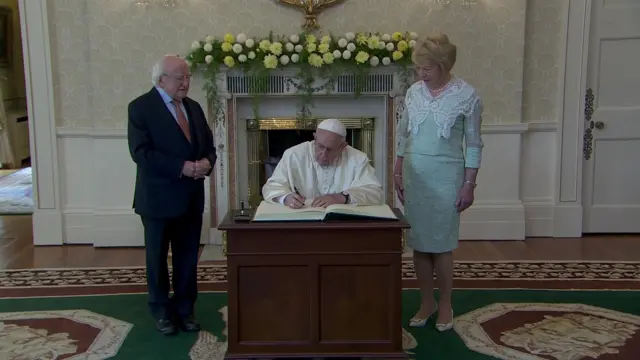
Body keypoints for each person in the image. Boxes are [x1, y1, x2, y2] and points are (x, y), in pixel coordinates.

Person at [394, 33, 484, 331]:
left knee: (442, 245)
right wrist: (397, 169)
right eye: (419, 68)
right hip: (415, 175)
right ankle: (426, 301)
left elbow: (473, 143)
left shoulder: (467, 96)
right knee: (419, 245)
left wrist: (469, 184)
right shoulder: (413, 93)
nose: (422, 74)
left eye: (428, 68)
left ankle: (445, 303)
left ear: (444, 65)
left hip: (447, 177)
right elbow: (403, 133)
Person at [127, 54, 216, 335]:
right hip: (157, 199)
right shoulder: (140, 108)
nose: (186, 83)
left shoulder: (194, 108)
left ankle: (185, 310)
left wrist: (207, 163)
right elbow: (141, 153)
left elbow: (209, 145)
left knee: (187, 258)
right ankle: (161, 312)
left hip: (190, 198)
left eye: (188, 77)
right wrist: (182, 167)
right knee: (156, 259)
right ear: (161, 79)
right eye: (181, 78)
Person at [262, 118, 383, 208]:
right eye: (320, 146)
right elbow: (271, 186)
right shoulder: (294, 154)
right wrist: (286, 197)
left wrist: (342, 197)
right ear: (315, 137)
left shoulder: (357, 158)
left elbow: (375, 192)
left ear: (343, 147)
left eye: (330, 149)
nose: (323, 155)